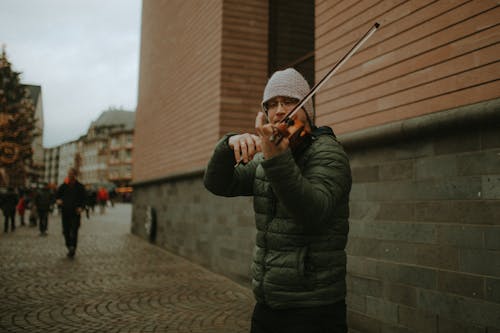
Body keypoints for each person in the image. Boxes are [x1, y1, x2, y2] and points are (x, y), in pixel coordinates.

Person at [204, 68, 352, 333]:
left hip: (314, 306)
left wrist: (278, 159)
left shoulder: (328, 152)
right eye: (272, 104)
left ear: (307, 108)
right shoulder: (269, 155)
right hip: (268, 300)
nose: (279, 110)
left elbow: (313, 213)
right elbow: (219, 183)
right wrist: (228, 146)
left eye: (288, 101)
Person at [56, 168, 86, 258]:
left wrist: (81, 207)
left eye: (71, 174)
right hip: (65, 212)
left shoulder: (80, 187)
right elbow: (57, 196)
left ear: (75, 175)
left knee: (74, 230)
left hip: (75, 212)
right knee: (66, 231)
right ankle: (68, 245)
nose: (69, 176)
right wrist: (58, 201)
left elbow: (84, 199)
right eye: (68, 174)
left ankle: (73, 247)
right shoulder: (63, 186)